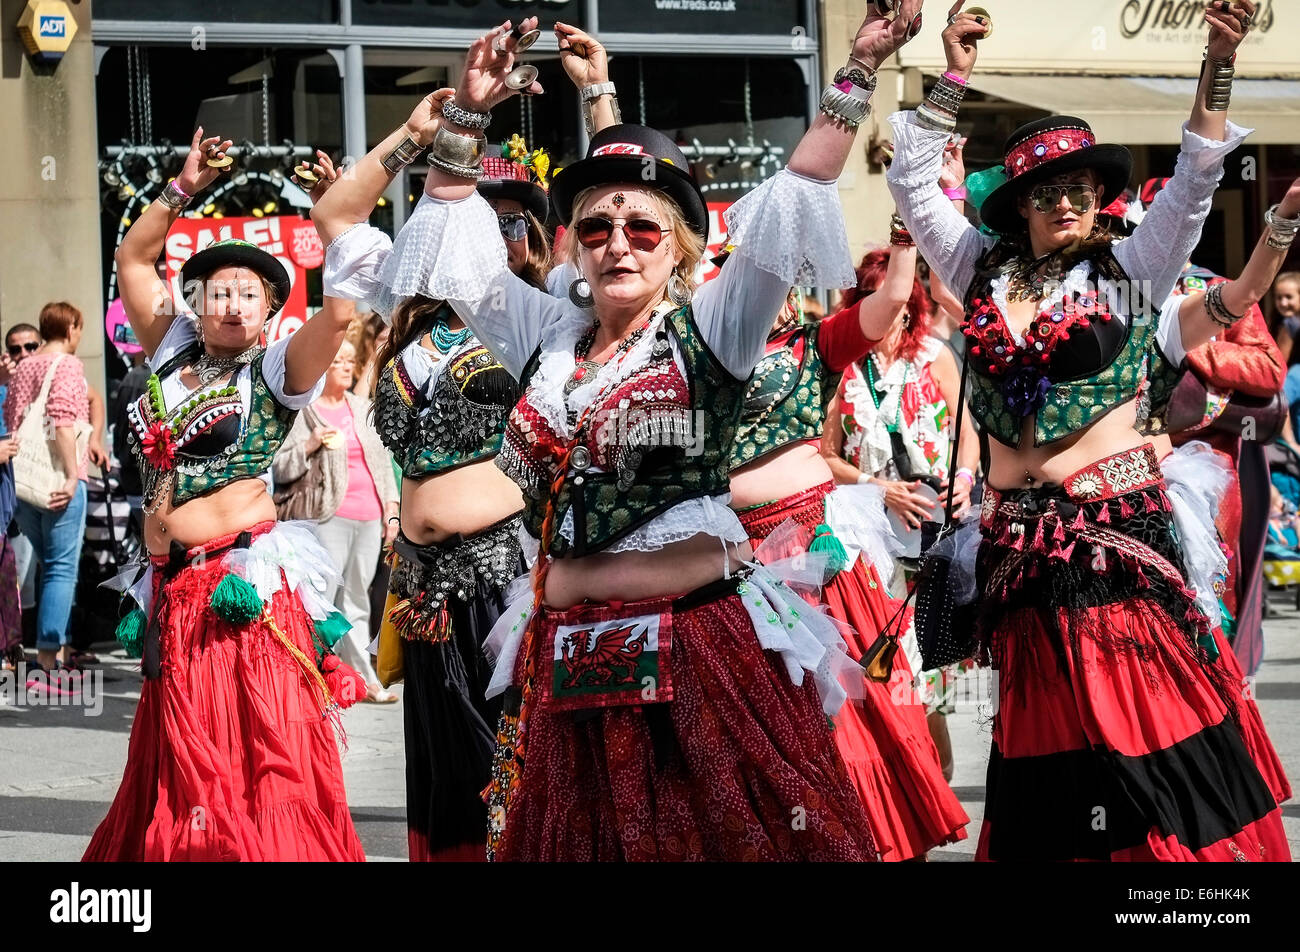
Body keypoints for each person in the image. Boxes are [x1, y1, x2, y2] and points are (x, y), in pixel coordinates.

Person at [324, 6, 932, 861]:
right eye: (597, 228)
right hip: (570, 659)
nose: (619, 244)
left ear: (677, 246)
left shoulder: (712, 330)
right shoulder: (548, 334)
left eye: (643, 228)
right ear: (572, 245)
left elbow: (795, 195)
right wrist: (469, 112)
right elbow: (460, 264)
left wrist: (858, 70)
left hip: (693, 647)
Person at [888, 1, 1288, 861]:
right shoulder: (978, 269)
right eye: (1048, 191)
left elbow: (1193, 182)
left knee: (1145, 733)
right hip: (1018, 548)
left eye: (1080, 189)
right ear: (1023, 206)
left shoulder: (1132, 273)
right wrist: (950, 74)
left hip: (1114, 538)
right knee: (1047, 746)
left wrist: (1219, 56)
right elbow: (914, 189)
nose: (1067, 201)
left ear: (1099, 201)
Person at [83, 127, 366, 861]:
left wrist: (335, 214)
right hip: (173, 588)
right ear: (199, 302)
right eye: (221, 293)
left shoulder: (274, 371)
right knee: (182, 758)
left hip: (244, 589)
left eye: (252, 295)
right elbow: (134, 257)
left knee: (257, 749)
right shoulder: (172, 347)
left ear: (271, 310)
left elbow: (339, 314)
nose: (235, 305)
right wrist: (184, 188)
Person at [313, 108, 558, 857]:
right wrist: (424, 132)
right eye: (482, 216)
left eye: (515, 225)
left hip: (503, 578)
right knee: (444, 774)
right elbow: (336, 212)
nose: (494, 234)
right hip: (421, 589)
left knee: (507, 766)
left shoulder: (540, 322)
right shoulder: (406, 318)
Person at [728, 273, 970, 861]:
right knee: (809, 712)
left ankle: (909, 805)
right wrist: (876, 484)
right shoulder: (712, 353)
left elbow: (966, 431)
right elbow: (833, 449)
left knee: (900, 680)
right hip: (769, 554)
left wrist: (962, 479)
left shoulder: (820, 349)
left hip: (869, 537)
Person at [274, 334, 400, 704]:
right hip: (327, 517)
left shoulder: (361, 408)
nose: (345, 367)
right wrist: (311, 443)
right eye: (337, 361)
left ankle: (363, 680)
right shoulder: (304, 412)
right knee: (321, 600)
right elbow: (280, 468)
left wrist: (391, 510)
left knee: (358, 599)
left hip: (369, 516)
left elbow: (381, 465)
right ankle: (313, 677)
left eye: (349, 362)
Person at [5, 302, 95, 691]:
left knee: (48, 568)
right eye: (79, 327)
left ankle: (47, 656)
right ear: (71, 327)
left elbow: (12, 419)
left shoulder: (23, 367)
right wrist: (74, 475)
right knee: (60, 569)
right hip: (58, 480)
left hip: (22, 482)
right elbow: (61, 420)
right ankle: (47, 663)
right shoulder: (68, 365)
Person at [1269, 271, 1299, 363]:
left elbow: (1280, 363)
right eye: (1279, 297)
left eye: (1289, 297)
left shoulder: (1289, 324)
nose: (1283, 303)